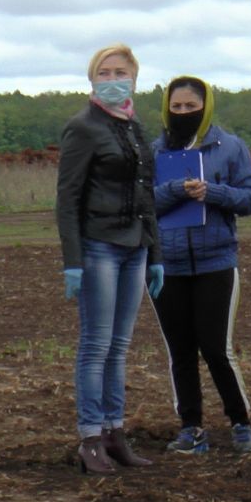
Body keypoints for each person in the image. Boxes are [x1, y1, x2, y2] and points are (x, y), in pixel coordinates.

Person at [56, 44, 164, 474]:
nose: (113, 78)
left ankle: (115, 432)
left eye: (120, 71)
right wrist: (73, 260)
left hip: (134, 246)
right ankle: (90, 437)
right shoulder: (83, 127)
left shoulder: (135, 126)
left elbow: (147, 194)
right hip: (99, 244)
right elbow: (67, 198)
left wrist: (154, 252)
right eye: (104, 72)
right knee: (96, 346)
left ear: (135, 78)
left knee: (119, 347)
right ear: (92, 79)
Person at [149, 76, 251, 456]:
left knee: (216, 348)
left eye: (190, 107)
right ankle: (191, 428)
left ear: (206, 106)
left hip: (216, 260)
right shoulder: (153, 153)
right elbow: (143, 205)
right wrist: (174, 191)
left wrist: (210, 191)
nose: (182, 113)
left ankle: (241, 424)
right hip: (168, 266)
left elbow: (250, 199)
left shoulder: (230, 147)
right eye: (176, 107)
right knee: (180, 351)